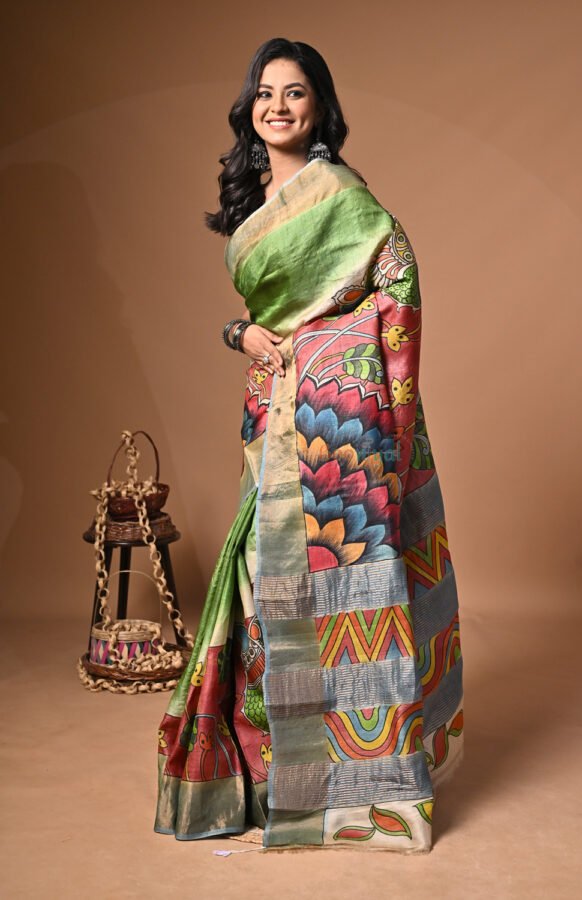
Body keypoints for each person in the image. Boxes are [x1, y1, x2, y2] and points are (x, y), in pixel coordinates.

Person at [154, 37, 464, 853]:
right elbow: (260, 320)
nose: (278, 106)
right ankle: (282, 782)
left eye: (294, 92)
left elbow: (397, 277)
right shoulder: (253, 204)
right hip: (273, 411)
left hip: (341, 424)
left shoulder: (342, 195)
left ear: (320, 106)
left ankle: (366, 796)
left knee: (354, 589)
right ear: (249, 109)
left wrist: (332, 350)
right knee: (274, 591)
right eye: (265, 93)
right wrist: (242, 334)